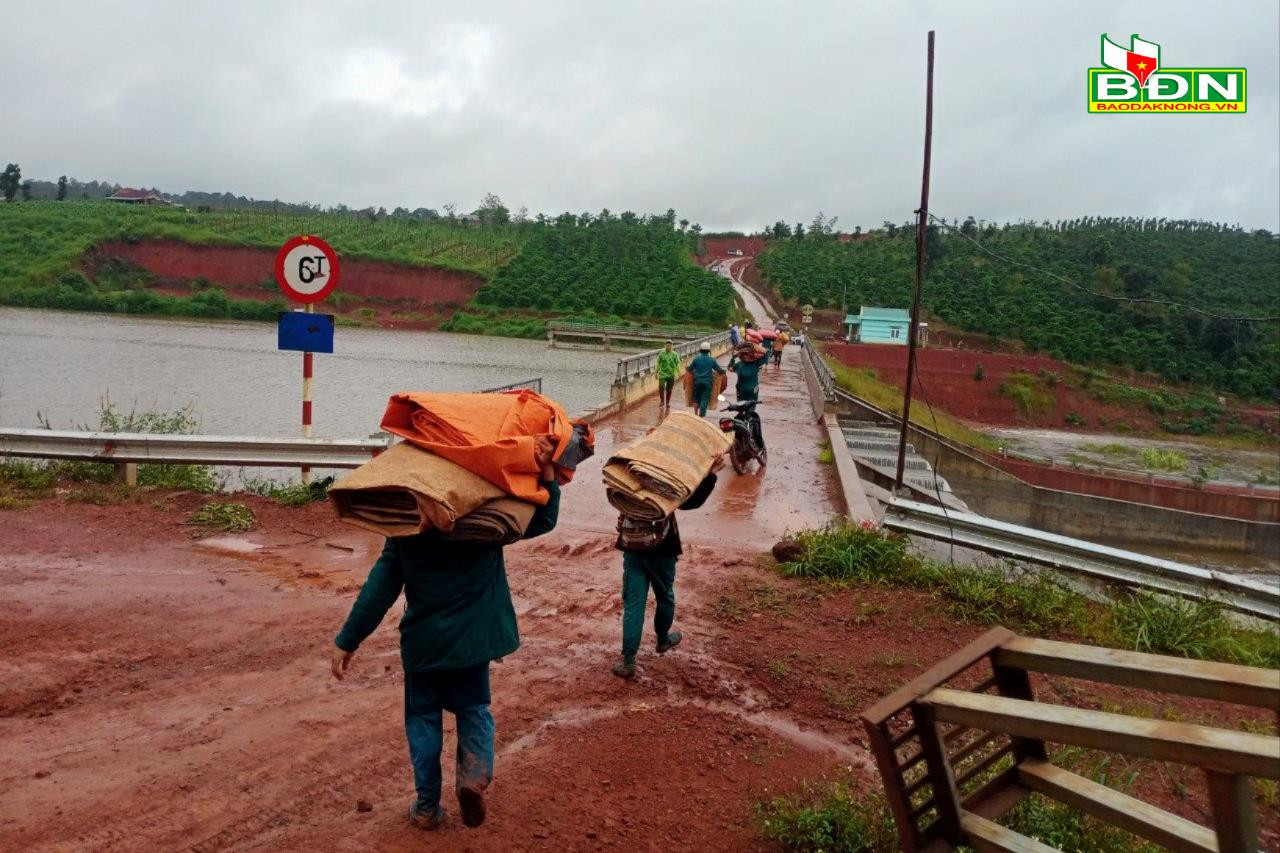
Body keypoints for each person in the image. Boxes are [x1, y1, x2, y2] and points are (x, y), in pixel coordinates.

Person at [330, 438, 561, 832]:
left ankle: (425, 808)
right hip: (472, 645)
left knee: (422, 721)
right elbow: (541, 519)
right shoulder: (488, 518)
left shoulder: (406, 527)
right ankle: (472, 778)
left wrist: (347, 640)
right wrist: (547, 476)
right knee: (473, 711)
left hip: (423, 644)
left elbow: (380, 588)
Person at [612, 456, 724, 679]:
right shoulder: (666, 480)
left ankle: (628, 661)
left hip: (633, 549)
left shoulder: (629, 475)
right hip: (664, 551)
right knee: (665, 596)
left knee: (634, 605)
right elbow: (692, 501)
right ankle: (662, 639)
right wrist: (710, 474)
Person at [687, 341, 725, 417]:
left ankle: (695, 414)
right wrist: (723, 372)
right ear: (709, 351)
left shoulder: (696, 359)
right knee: (704, 399)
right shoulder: (712, 360)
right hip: (707, 383)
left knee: (696, 398)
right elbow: (719, 370)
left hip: (697, 382)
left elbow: (690, 369)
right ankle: (701, 416)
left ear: (700, 350)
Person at [656, 340, 679, 411]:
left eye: (670, 345)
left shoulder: (674, 354)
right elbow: (658, 363)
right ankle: (662, 401)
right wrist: (656, 372)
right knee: (661, 386)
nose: (668, 346)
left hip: (671, 374)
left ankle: (667, 402)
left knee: (669, 389)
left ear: (672, 346)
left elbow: (677, 363)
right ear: (665, 345)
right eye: (667, 345)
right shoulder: (661, 353)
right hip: (662, 373)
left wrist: (678, 372)